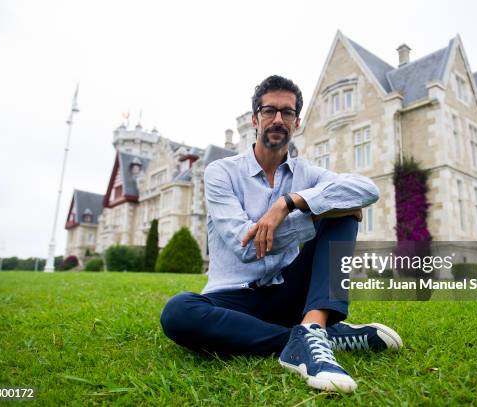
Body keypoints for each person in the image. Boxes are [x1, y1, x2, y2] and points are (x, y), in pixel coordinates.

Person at [160, 75, 403, 392]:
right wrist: (317, 212)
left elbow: (367, 189)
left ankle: (311, 325)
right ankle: (312, 337)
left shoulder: (306, 173)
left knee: (343, 216)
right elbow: (247, 247)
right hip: (233, 297)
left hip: (287, 291)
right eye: (269, 110)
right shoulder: (221, 172)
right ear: (254, 119)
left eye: (286, 112)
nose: (278, 119)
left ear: (297, 122)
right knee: (178, 313)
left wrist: (289, 204)